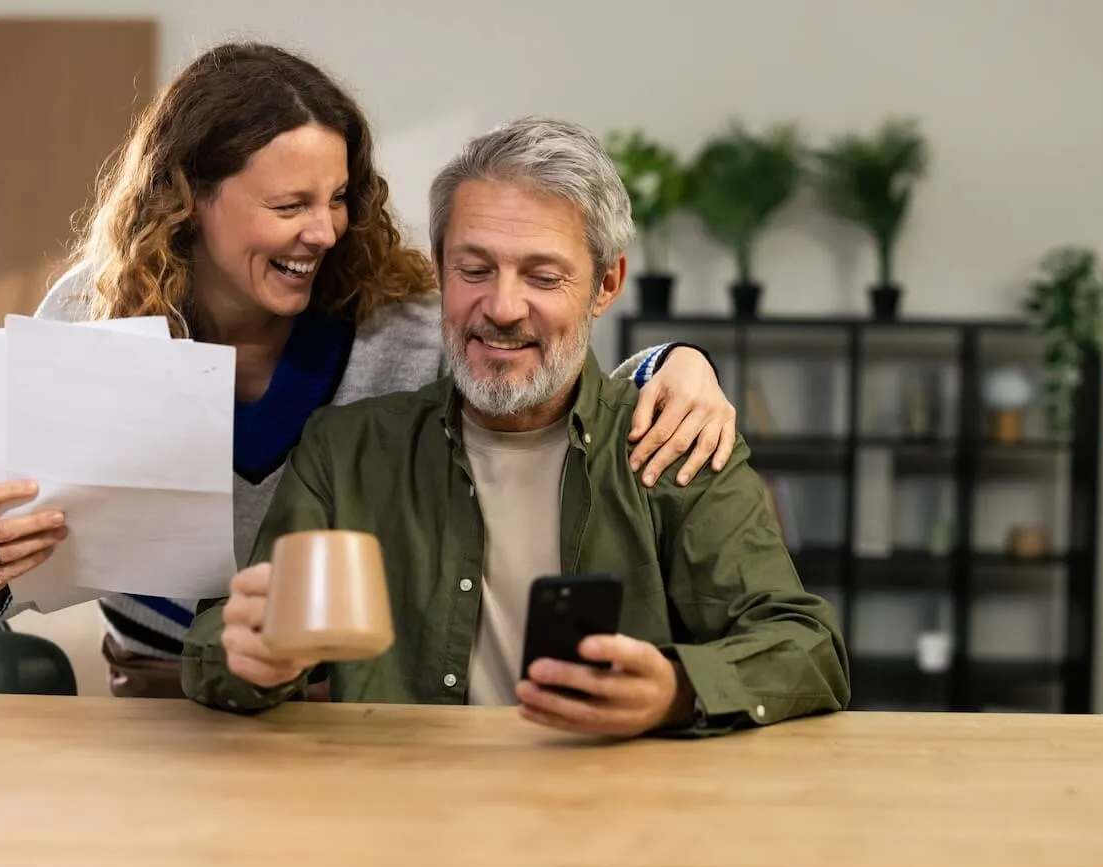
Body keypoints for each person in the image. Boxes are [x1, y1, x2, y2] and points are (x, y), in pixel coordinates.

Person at [0, 43, 739, 699]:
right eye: (290, 206)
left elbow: (541, 382)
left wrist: (676, 362)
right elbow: (3, 543)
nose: (324, 231)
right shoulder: (90, 311)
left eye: (338, 198)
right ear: (188, 198)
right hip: (153, 691)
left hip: (340, 698)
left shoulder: (405, 318)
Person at [181, 116, 850, 738]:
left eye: (543, 276)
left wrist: (676, 690)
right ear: (440, 271)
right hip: (393, 813)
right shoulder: (345, 449)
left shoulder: (670, 439)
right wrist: (249, 658)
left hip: (614, 818)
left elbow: (807, 646)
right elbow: (222, 642)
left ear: (606, 284)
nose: (501, 308)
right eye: (474, 270)